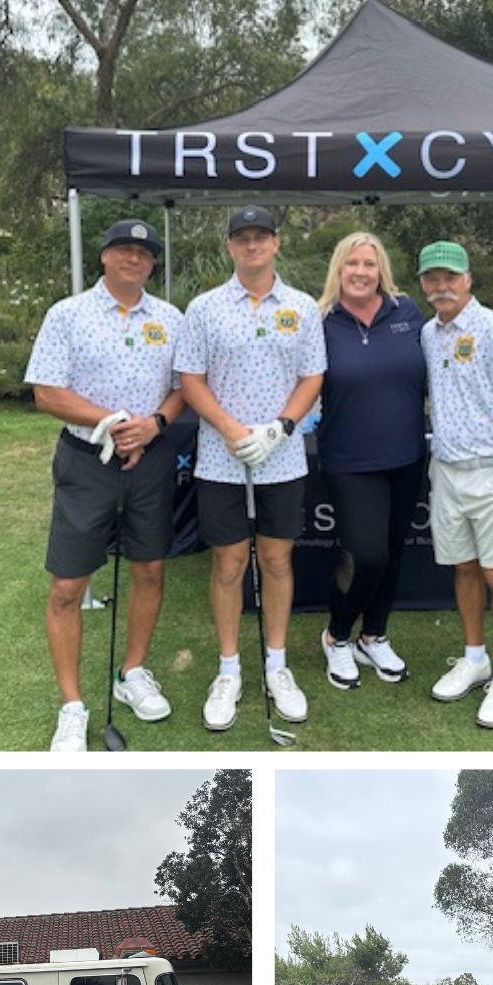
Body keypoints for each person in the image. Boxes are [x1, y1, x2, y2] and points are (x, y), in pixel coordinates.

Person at [24, 218, 185, 750]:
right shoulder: (68, 315)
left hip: (151, 460)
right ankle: (72, 706)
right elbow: (47, 393)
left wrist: (155, 424)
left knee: (150, 569)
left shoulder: (170, 318)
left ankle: (132, 672)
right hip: (86, 460)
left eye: (143, 253)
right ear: (104, 257)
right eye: (123, 250)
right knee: (69, 586)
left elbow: (183, 389)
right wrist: (113, 423)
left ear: (152, 263)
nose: (133, 259)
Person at [175, 205, 327, 732]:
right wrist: (231, 429)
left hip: (280, 456)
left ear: (276, 244)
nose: (252, 245)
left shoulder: (302, 308)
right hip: (221, 457)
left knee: (278, 560)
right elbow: (190, 379)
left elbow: (313, 377)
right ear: (230, 247)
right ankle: (228, 670)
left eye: (261, 237)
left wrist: (280, 428)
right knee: (229, 563)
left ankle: (277, 666)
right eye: (242, 238)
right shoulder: (204, 308)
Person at [417, 240, 493, 728]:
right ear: (423, 283)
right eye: (432, 278)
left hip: (490, 471)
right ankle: (475, 657)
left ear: (468, 280)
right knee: (464, 569)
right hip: (446, 470)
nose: (441, 287)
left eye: (450, 278)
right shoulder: (427, 332)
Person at [313, 232, 428, 689]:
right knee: (368, 554)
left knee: (394, 552)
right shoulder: (319, 320)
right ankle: (337, 636)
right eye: (352, 263)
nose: (361, 272)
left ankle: (374, 635)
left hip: (406, 455)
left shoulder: (409, 313)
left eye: (370, 263)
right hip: (348, 458)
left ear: (382, 270)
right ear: (338, 270)